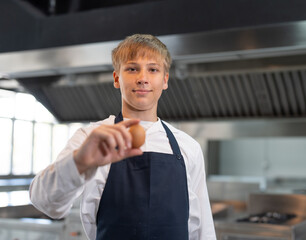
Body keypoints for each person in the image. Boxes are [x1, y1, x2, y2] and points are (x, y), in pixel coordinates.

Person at [29, 34, 216, 240]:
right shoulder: (91, 138)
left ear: (164, 80)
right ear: (117, 78)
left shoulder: (187, 146)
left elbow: (203, 229)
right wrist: (80, 162)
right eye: (132, 68)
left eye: (152, 69)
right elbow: (45, 202)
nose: (143, 78)